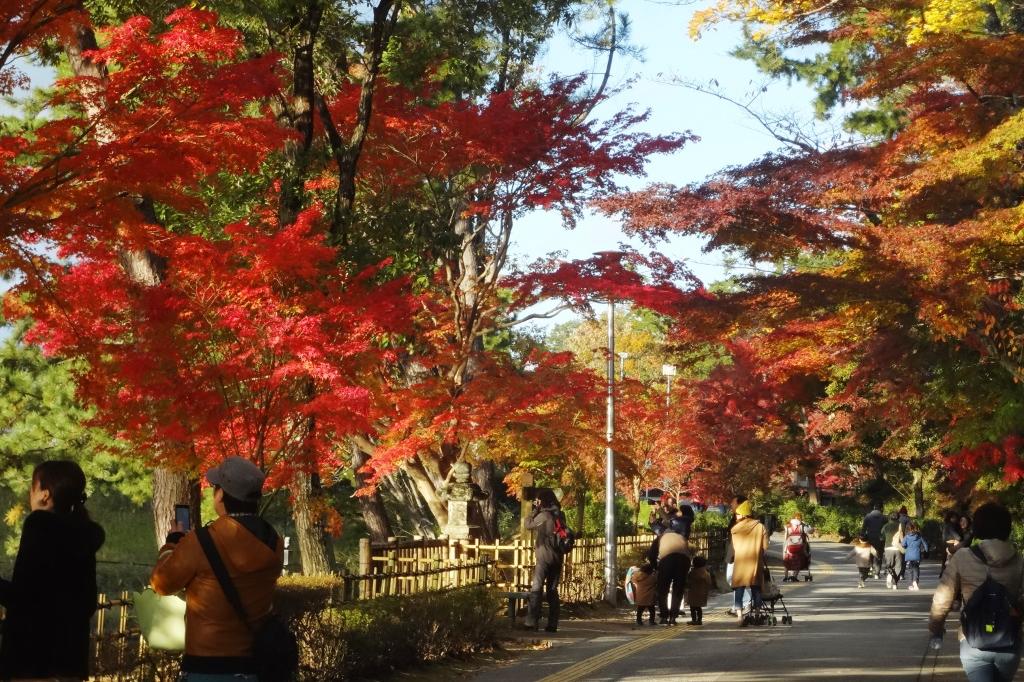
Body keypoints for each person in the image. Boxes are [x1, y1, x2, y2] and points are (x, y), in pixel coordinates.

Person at [151, 457, 284, 680]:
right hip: (253, 665)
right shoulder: (274, 542)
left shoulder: (201, 541)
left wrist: (172, 544)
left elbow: (161, 583)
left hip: (205, 665)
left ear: (221, 495)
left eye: (215, 488)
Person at [0, 461, 105, 681]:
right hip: (70, 660)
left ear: (44, 495)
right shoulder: (83, 534)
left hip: (33, 660)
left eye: (33, 486)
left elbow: (23, 598)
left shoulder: (39, 526)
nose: (30, 492)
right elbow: (86, 602)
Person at [930, 502, 1024, 682]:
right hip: (1009, 639)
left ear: (977, 527)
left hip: (973, 638)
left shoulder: (963, 557)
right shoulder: (1018, 560)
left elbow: (943, 597)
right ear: (1008, 528)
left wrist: (936, 627)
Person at [524, 488, 565, 632]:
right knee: (552, 590)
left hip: (543, 557)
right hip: (558, 557)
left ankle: (531, 622)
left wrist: (534, 510)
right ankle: (552, 624)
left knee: (537, 588)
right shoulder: (560, 515)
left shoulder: (544, 515)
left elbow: (528, 524)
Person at [730, 500, 768, 627]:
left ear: (743, 515)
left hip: (740, 562)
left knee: (739, 590)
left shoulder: (735, 529)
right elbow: (765, 546)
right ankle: (757, 614)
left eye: (737, 514)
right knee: (756, 589)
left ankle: (740, 616)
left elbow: (734, 548)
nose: (736, 516)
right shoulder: (760, 527)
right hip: (755, 562)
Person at [647, 522, 691, 625]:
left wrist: (656, 567)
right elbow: (689, 551)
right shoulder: (681, 536)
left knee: (663, 590)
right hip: (683, 561)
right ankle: (673, 617)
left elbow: (651, 556)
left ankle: (664, 616)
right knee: (678, 590)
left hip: (667, 561)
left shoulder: (660, 538)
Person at [901, 521, 929, 590]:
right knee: (916, 569)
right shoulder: (919, 536)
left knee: (910, 570)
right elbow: (925, 545)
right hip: (917, 556)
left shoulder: (907, 537)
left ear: (908, 529)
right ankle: (915, 582)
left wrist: (906, 547)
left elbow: (903, 544)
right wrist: (926, 551)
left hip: (908, 556)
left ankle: (910, 584)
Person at [882, 512, 906, 590]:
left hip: (888, 548)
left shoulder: (886, 526)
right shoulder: (901, 525)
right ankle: (895, 583)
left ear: (890, 517)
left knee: (889, 565)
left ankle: (889, 576)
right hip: (898, 548)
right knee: (898, 566)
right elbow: (904, 536)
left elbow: (881, 537)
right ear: (898, 517)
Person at [686, 555, 712, 626]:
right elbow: (709, 582)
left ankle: (694, 620)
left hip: (693, 593)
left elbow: (688, 582)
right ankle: (699, 620)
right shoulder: (706, 573)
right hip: (702, 593)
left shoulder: (692, 572)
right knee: (698, 608)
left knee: (692, 608)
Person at [862, 504, 886, 578]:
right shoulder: (883, 517)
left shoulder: (868, 516)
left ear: (873, 508)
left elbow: (863, 528)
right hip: (880, 539)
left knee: (870, 555)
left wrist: (862, 536)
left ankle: (870, 570)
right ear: (881, 509)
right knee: (879, 555)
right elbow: (886, 528)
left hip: (870, 538)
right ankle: (877, 573)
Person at [941, 510, 964, 577]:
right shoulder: (951, 525)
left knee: (945, 561)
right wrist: (959, 539)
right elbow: (957, 536)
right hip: (950, 545)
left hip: (945, 544)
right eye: (954, 517)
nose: (956, 519)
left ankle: (943, 573)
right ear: (951, 518)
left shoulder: (945, 525)